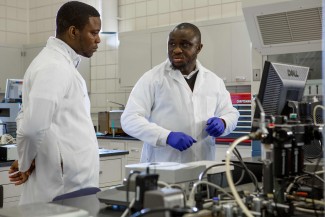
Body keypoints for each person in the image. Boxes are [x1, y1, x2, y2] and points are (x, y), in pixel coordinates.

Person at [8, 1, 101, 204]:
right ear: (73, 31)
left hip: (72, 180)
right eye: (93, 33)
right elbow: (32, 128)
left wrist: (26, 159)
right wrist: (24, 163)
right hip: (62, 184)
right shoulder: (53, 66)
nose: (98, 39)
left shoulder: (62, 64)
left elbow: (28, 116)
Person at [121, 23, 239, 163]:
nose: (176, 50)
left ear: (199, 48)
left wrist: (223, 122)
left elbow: (231, 113)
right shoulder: (152, 79)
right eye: (172, 44)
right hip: (163, 168)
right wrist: (166, 136)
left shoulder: (214, 81)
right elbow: (129, 119)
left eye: (185, 45)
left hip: (202, 166)